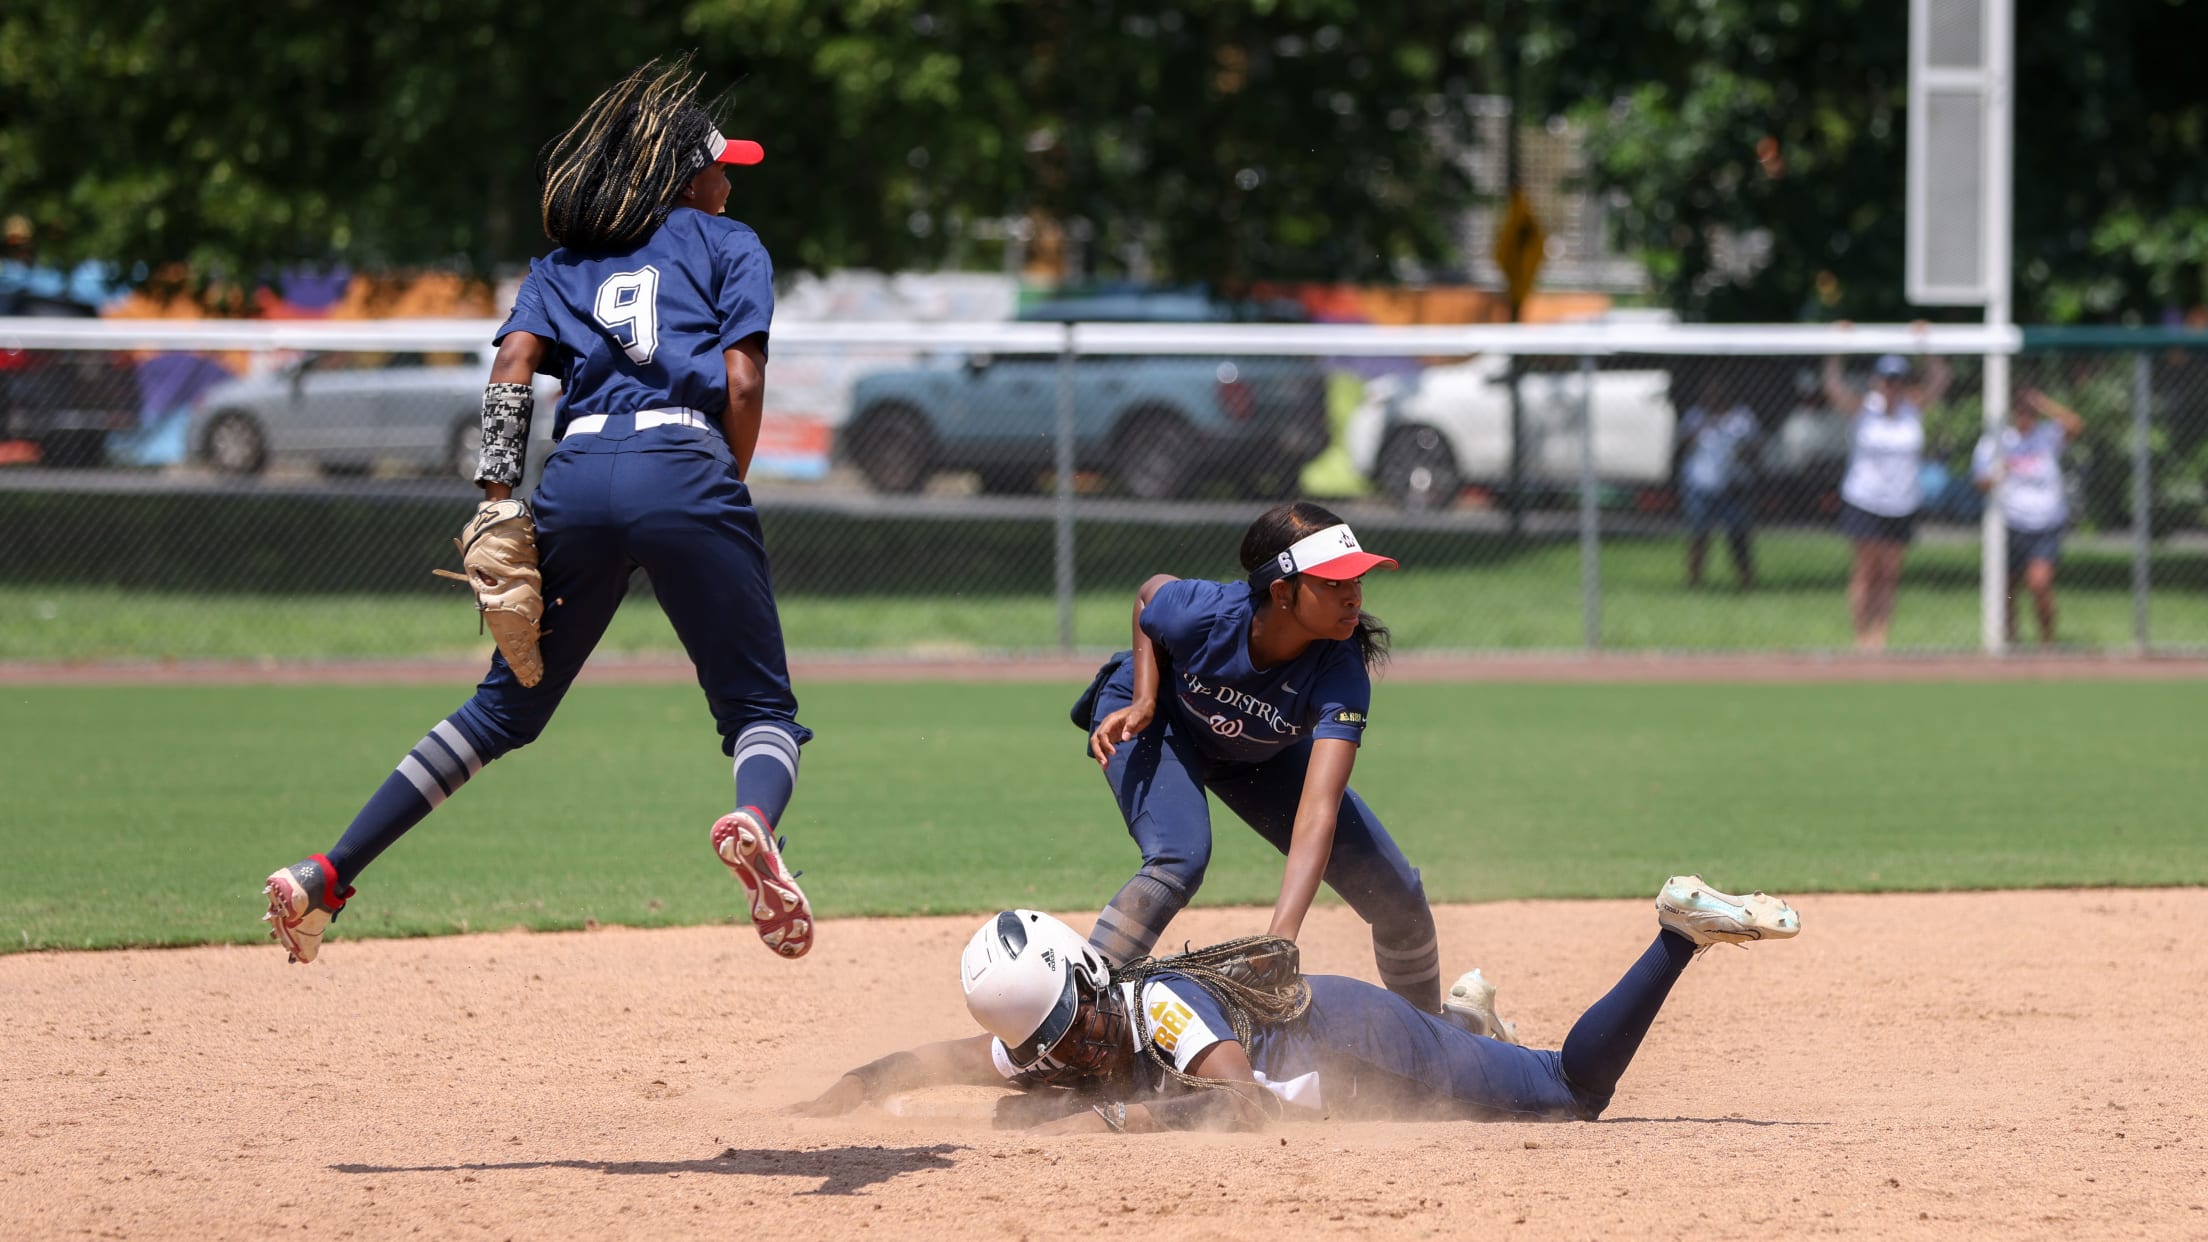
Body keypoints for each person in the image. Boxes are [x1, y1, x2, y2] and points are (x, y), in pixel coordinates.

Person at [260, 58, 813, 965]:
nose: (730, 177)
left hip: (580, 471)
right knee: (761, 711)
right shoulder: (731, 244)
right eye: (720, 164)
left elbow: (512, 370)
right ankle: (754, 820)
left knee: (500, 712)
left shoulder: (565, 265)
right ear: (681, 174)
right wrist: (724, 478)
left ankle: (328, 872)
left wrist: (496, 500)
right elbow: (743, 382)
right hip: (684, 460)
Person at [794, 878, 1801, 1130]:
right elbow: (935, 1065)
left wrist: (1105, 1119)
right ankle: (1467, 1020)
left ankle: (1676, 935)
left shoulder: (1158, 1012)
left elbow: (1241, 1107)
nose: (1071, 1048)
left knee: (1568, 1092)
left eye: (1074, 1024)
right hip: (1346, 1039)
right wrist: (841, 1094)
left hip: (1362, 1043)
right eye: (1053, 1041)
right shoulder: (1064, 1031)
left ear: (1095, 986)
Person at [1074, 501, 1455, 1019]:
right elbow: (1148, 597)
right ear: (1282, 591)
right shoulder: (1205, 613)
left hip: (1256, 754)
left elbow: (1318, 808)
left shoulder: (1340, 671)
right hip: (1160, 720)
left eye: (1357, 581)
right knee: (1178, 858)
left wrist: (1281, 937)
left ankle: (1433, 1042)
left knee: (1397, 895)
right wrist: (1143, 697)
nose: (1353, 597)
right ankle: (1078, 1017)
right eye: (1332, 583)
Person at [1823, 351, 1951, 651]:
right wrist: (1837, 351)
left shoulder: (1913, 408)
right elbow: (1833, 388)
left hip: (1902, 503)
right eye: (1887, 380)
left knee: (1890, 574)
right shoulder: (1863, 408)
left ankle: (1880, 637)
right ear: (1877, 381)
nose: (1892, 386)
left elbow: (1941, 380)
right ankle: (1860, 636)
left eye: (1898, 380)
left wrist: (1927, 347)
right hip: (1864, 499)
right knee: (1865, 571)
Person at [1973, 387, 2085, 645]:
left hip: (2045, 523)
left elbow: (2075, 424)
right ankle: (2011, 641)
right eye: (2021, 411)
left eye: (2030, 412)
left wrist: (2044, 402)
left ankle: (2047, 641)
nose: (2026, 417)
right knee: (2008, 590)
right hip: (2011, 523)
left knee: (2039, 583)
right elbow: (1979, 481)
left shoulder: (2047, 435)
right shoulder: (1997, 440)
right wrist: (1999, 471)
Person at [1672, 365, 1761, 590]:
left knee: (1738, 537)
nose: (1714, 396)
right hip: (1700, 484)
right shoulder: (1695, 416)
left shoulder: (1741, 418)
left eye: (1718, 391)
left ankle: (1746, 581)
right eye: (1709, 392)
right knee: (1699, 534)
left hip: (1734, 485)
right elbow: (1681, 447)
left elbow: (1754, 451)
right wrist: (1702, 427)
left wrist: (1741, 450)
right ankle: (1694, 582)